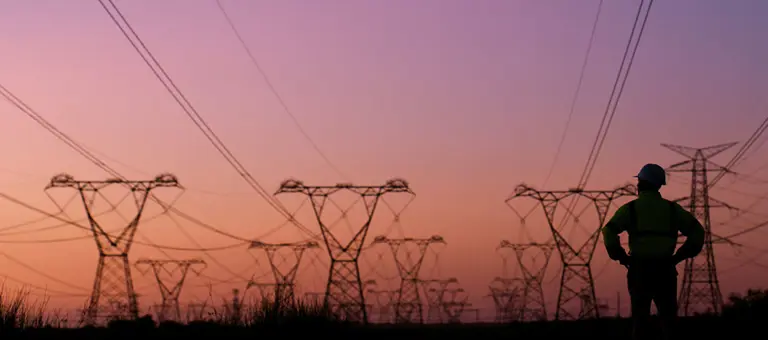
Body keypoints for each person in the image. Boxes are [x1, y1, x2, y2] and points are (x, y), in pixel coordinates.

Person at [602, 163, 705, 340]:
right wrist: (678, 257)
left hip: (639, 270)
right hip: (665, 269)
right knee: (669, 322)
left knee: (640, 321)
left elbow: (608, 231)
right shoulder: (672, 210)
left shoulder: (630, 209)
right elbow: (698, 233)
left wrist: (620, 256)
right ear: (659, 185)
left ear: (641, 183)